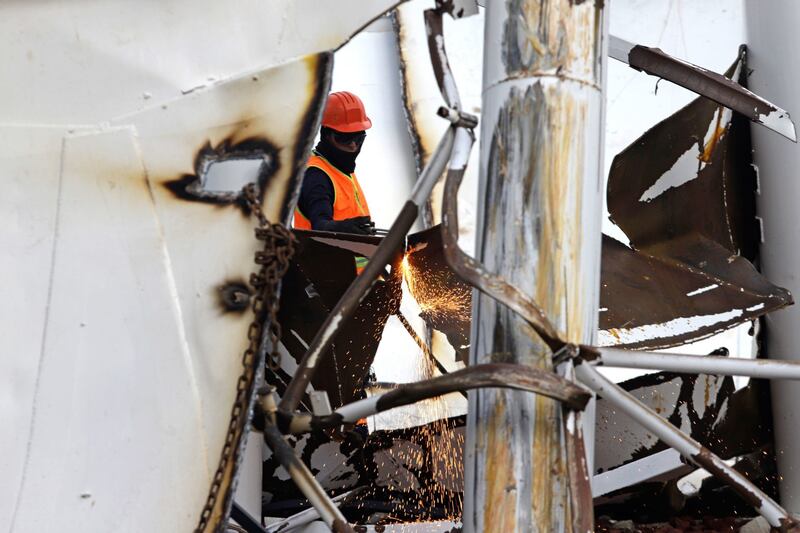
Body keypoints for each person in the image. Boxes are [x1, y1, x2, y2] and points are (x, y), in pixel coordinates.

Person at [294, 91, 376, 236]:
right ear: (326, 135)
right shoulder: (315, 175)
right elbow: (320, 225)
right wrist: (344, 229)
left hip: (354, 258)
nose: (352, 146)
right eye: (344, 138)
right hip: (323, 258)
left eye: (358, 138)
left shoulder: (340, 168)